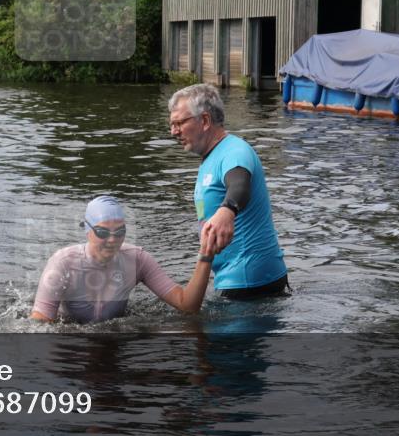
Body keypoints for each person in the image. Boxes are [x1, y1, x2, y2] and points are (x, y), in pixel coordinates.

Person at [168, 84, 288, 298]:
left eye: (179, 123)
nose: (174, 131)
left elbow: (240, 185)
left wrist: (227, 210)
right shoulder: (212, 157)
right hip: (236, 279)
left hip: (249, 284)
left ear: (204, 121)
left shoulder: (234, 151)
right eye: (172, 124)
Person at [30, 196, 215, 323]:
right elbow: (40, 324)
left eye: (120, 232)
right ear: (87, 231)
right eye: (102, 232)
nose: (112, 240)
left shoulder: (137, 260)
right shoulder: (63, 263)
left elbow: (188, 305)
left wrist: (206, 255)